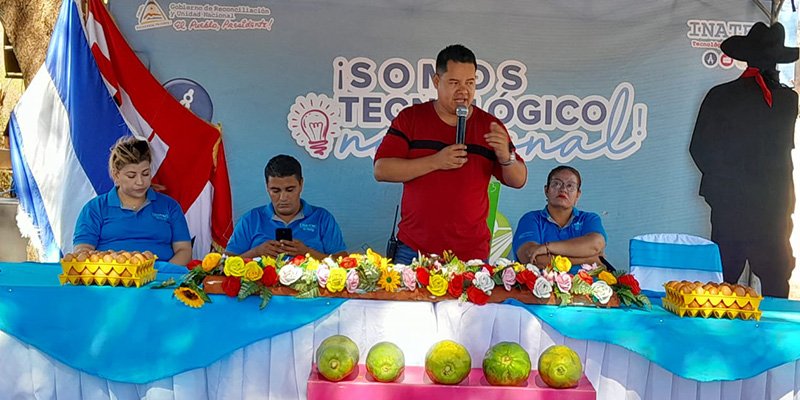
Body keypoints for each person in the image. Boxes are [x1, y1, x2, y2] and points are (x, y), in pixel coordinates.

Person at [374, 44, 527, 263]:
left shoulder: (490, 125)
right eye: (454, 83)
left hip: (470, 255)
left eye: (470, 83)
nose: (463, 91)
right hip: (414, 251)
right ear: (437, 82)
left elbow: (519, 180)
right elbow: (382, 170)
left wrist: (506, 156)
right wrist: (436, 161)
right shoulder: (411, 118)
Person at [690, 22, 798, 298]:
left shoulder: (721, 95)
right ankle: (775, 340)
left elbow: (699, 148)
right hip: (772, 209)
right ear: (776, 62)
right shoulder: (787, 100)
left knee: (721, 287)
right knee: (775, 286)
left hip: (732, 206)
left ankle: (718, 338)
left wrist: (723, 187)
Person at [73, 136, 192, 265]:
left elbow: (184, 250)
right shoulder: (95, 208)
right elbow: (82, 251)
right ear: (116, 175)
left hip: (161, 280)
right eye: (131, 176)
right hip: (111, 280)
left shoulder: (170, 206)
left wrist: (161, 275)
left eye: (145, 174)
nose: (140, 182)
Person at [226, 155, 347, 260]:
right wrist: (256, 252)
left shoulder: (322, 218)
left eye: (290, 190)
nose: (283, 197)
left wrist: (307, 252)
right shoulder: (250, 220)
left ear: (301, 184)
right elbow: (224, 266)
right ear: (267, 187)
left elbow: (343, 263)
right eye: (275, 190)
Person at [513, 166, 606, 267]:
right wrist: (589, 259)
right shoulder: (531, 219)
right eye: (556, 184)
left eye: (570, 186)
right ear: (546, 190)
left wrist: (547, 248)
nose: (563, 189)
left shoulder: (589, 219)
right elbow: (536, 260)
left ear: (578, 194)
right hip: (542, 282)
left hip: (587, 282)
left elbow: (595, 245)